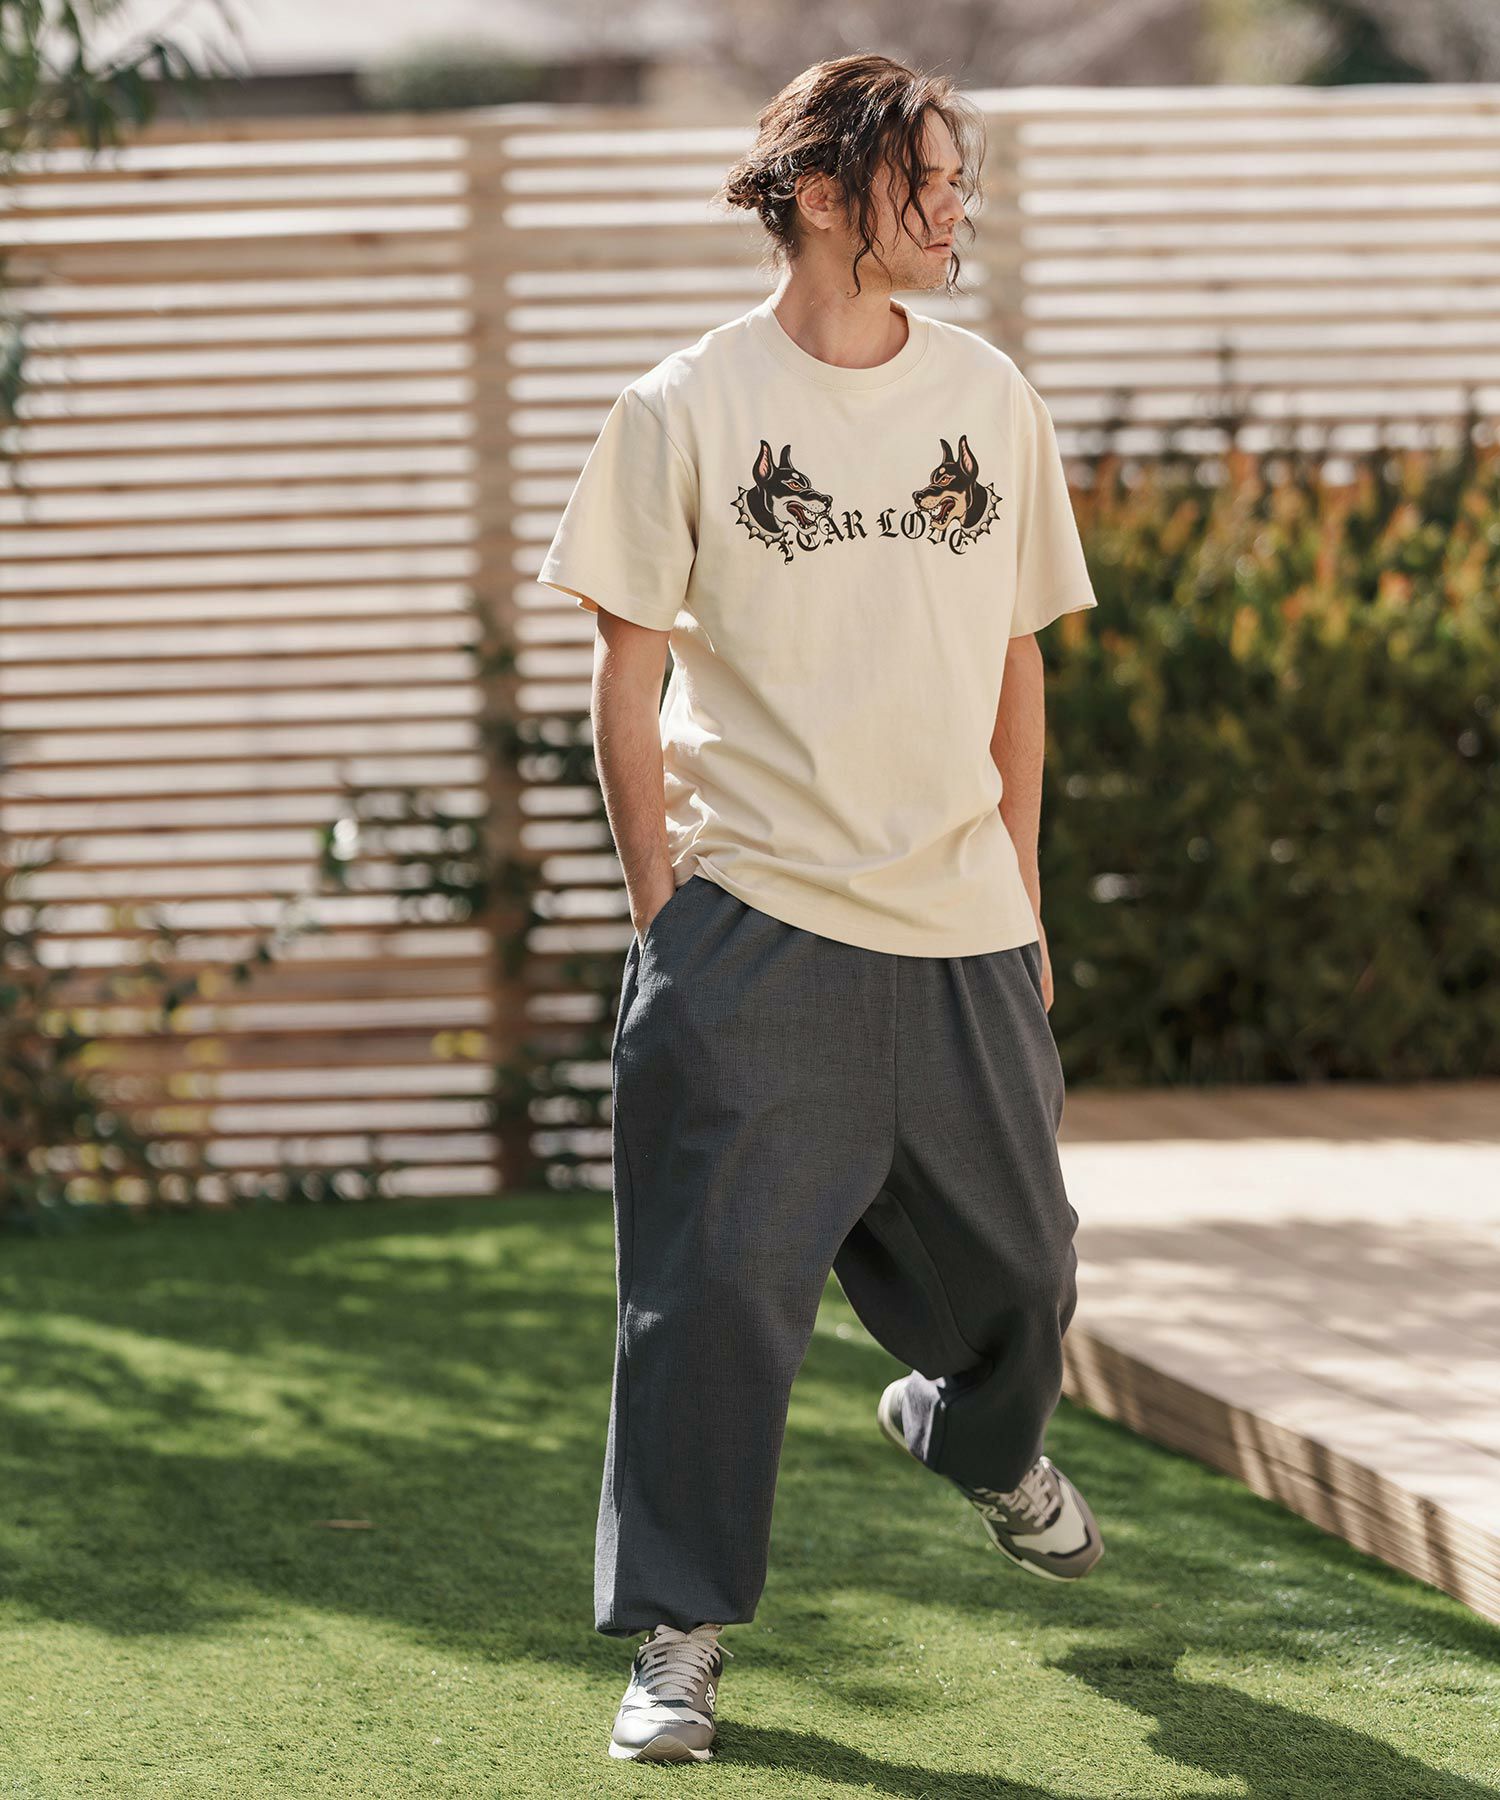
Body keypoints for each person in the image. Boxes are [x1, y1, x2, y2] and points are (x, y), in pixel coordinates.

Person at [536, 51, 1104, 1766]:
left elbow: (1017, 667)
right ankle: (678, 1640)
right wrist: (667, 919)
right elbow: (622, 679)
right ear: (823, 193)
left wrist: (1021, 887)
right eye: (924, 179)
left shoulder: (991, 398)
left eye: (955, 177)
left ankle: (977, 1441)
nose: (953, 206)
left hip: (962, 922)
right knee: (710, 1300)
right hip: (756, 924)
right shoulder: (682, 408)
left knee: (1029, 1274)